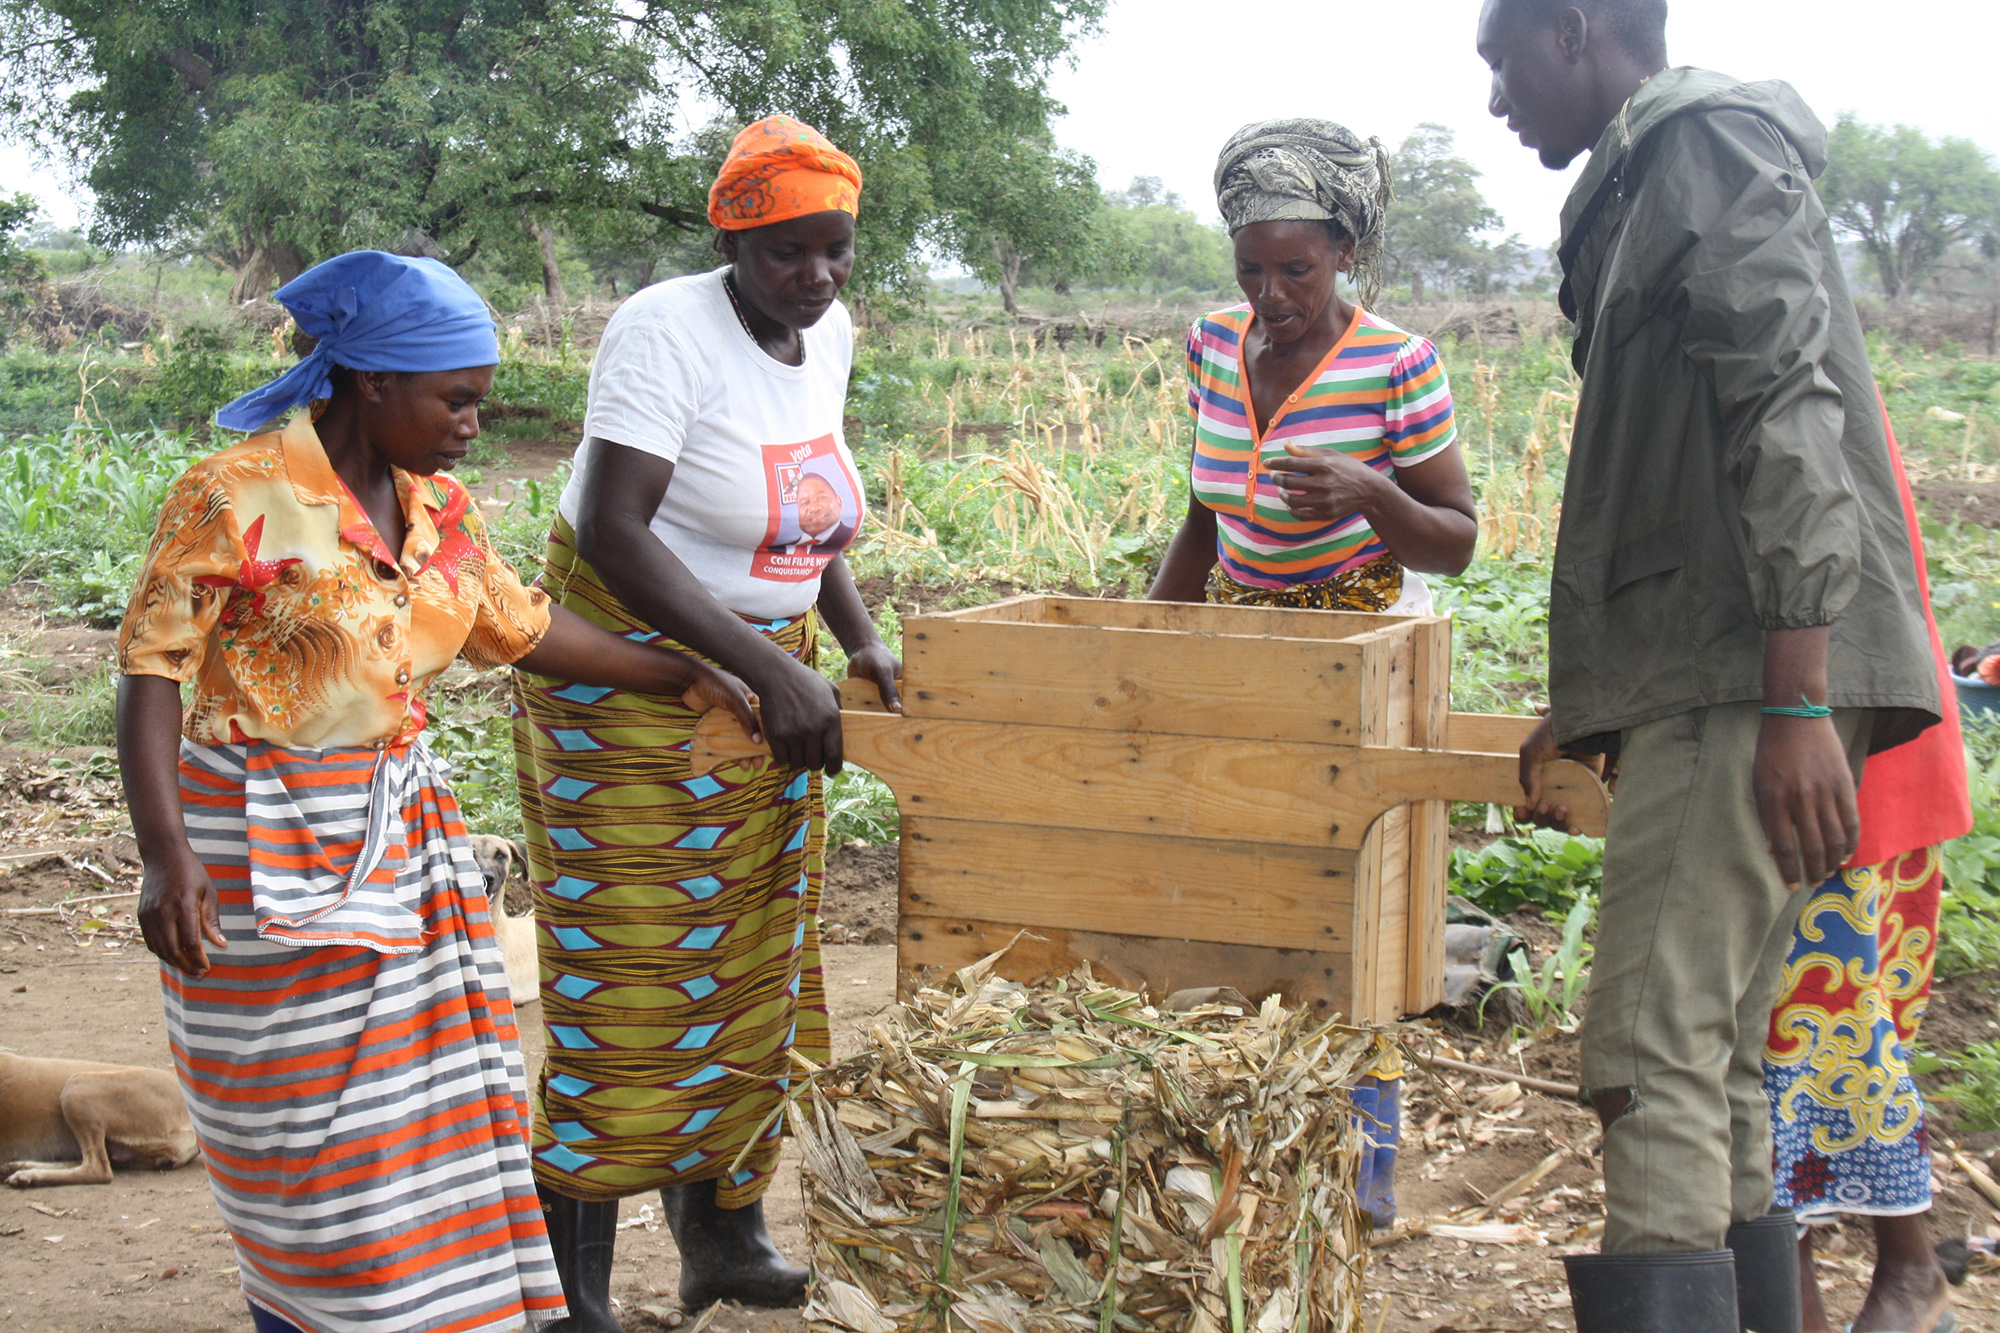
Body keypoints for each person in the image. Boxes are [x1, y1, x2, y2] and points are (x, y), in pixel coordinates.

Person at [116, 250, 756, 1333]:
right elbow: (151, 666)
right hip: (254, 849)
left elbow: (524, 625)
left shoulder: (438, 507)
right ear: (370, 381)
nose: (473, 423)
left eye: (481, 401)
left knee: (422, 1131)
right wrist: (164, 853)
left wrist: (689, 669)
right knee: (304, 1139)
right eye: (455, 399)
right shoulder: (236, 493)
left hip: (396, 837)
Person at [1476, 3, 1942, 1330]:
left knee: (1648, 1051)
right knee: (1725, 1054)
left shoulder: (1704, 145)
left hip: (1754, 679)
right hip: (1726, 671)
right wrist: (1592, 700)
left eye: (1501, 63)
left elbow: (1787, 410)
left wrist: (1798, 696)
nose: (1499, 101)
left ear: (1574, 31)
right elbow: (1670, 468)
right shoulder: (1641, 176)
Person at [512, 115, 899, 1324]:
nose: (817, 276)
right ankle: (570, 1283)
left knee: (750, 972)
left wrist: (852, 640)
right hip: (619, 692)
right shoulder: (660, 332)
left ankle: (720, 1238)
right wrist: (758, 665)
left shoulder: (825, 328)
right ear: (732, 236)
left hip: (763, 688)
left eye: (835, 249)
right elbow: (620, 535)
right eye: (789, 251)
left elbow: (804, 511)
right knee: (628, 986)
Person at [1764, 414, 1968, 1333]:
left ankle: (1906, 1266)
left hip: (1838, 761)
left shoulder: (1787, 384)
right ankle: (1865, 1274)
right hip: (1831, 754)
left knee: (1813, 1034)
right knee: (1803, 1040)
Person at [1146, 118, 1478, 612]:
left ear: (1344, 253)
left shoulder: (1396, 362)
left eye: (1296, 270)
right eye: (1249, 269)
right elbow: (1203, 526)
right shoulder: (1211, 343)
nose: (1269, 294)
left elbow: (1455, 550)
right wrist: (1135, 637)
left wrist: (1370, 493)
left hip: (1362, 634)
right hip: (1242, 628)